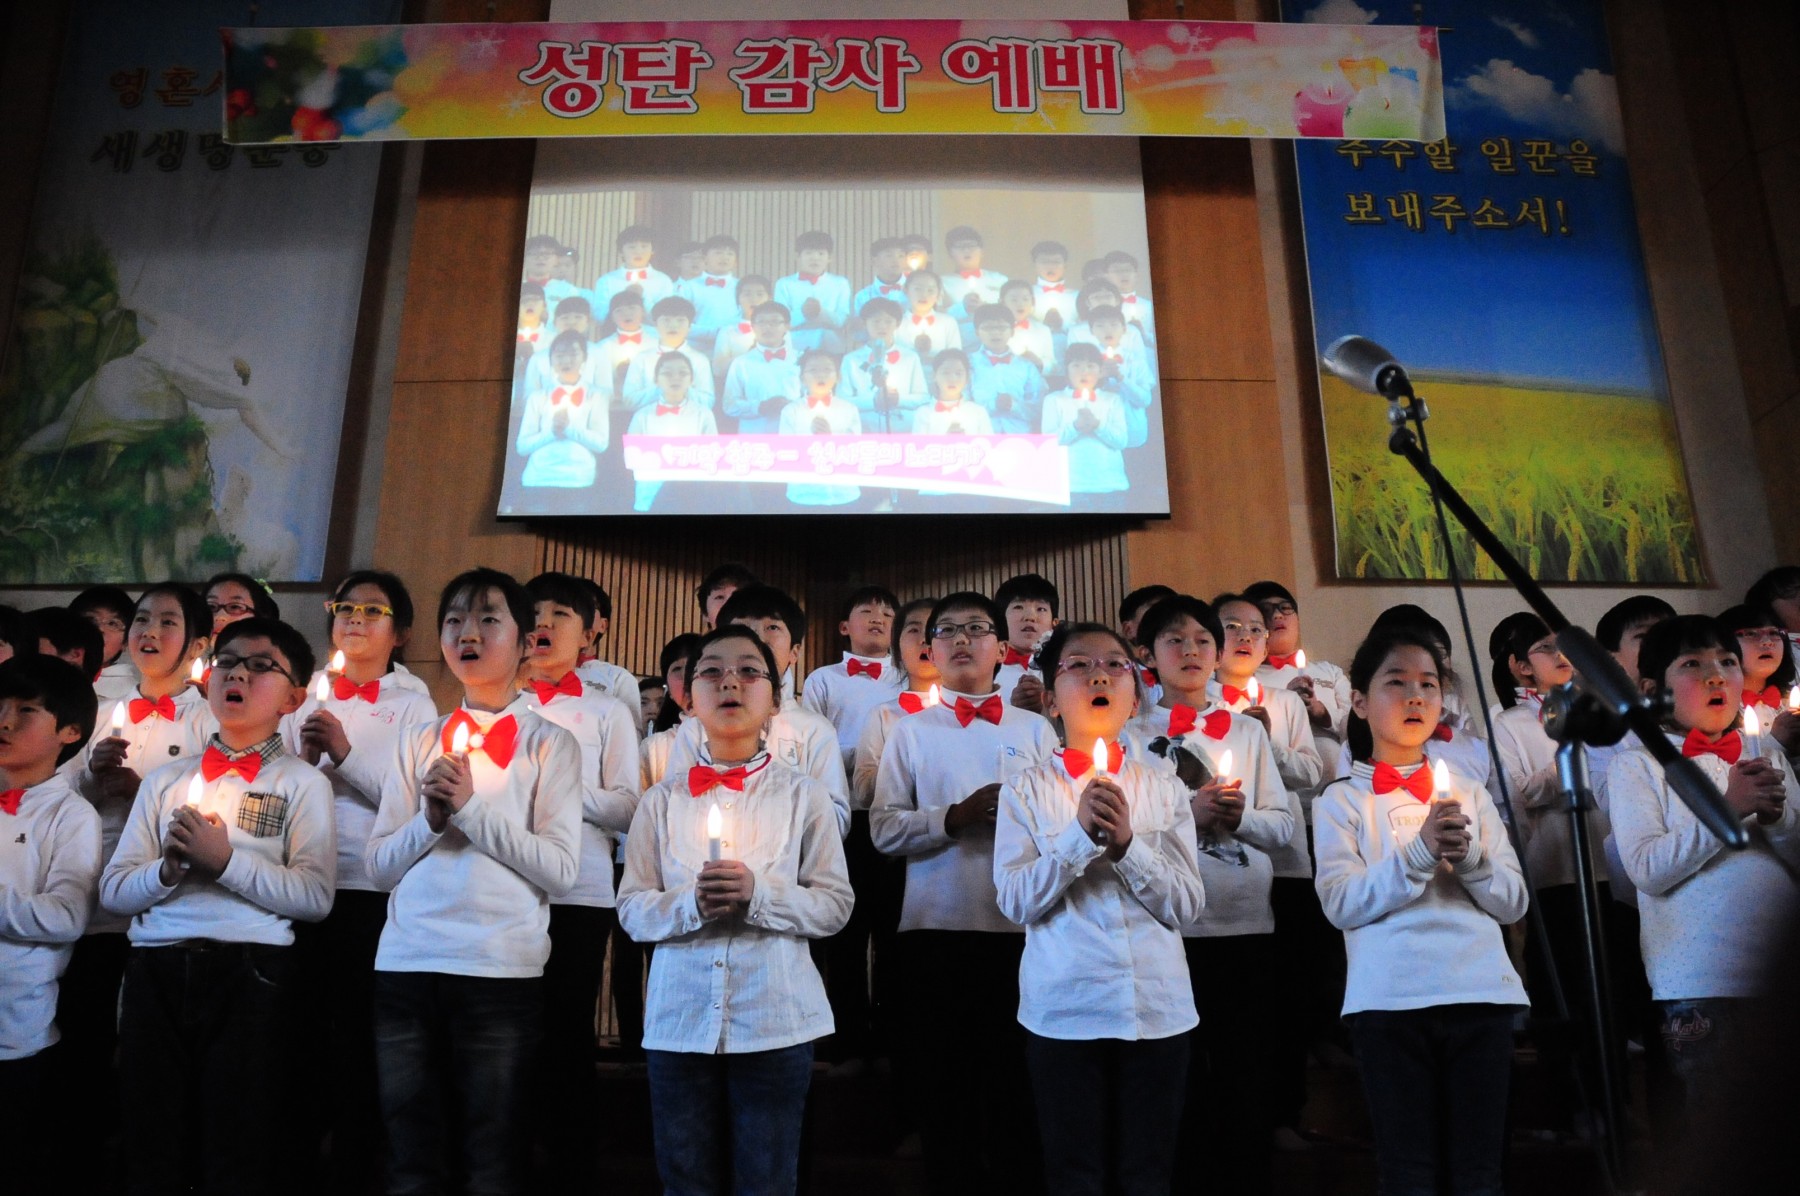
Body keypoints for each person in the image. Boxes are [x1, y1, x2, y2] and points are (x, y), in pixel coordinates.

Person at [365, 568, 582, 1196]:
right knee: (410, 1153)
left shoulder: (551, 744)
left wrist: (472, 811)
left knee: (495, 1152)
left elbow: (561, 872)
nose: (468, 632)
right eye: (455, 619)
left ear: (522, 643)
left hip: (500, 971)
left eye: (489, 619)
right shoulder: (417, 740)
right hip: (406, 965)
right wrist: (432, 820)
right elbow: (379, 867)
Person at [101, 616, 335, 1195]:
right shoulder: (165, 781)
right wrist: (168, 870)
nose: (239, 675)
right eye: (228, 662)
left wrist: (225, 861)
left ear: (294, 697)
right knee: (152, 1135)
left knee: (238, 1137)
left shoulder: (301, 782)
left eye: (262, 667)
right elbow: (113, 890)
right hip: (155, 965)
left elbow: (314, 897)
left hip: (251, 970)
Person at [618, 624, 853, 1195]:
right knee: (685, 1181)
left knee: (767, 1182)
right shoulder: (660, 800)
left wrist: (759, 896)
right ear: (688, 697)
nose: (731, 682)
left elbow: (834, 905)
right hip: (678, 1021)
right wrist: (691, 905)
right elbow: (631, 910)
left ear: (775, 698)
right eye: (712, 671)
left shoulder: (804, 795)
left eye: (750, 670)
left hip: (776, 1019)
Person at [1314, 623, 1528, 1196]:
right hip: (1389, 999)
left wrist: (1474, 858)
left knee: (1479, 1171)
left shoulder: (1472, 795)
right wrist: (1417, 852)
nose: (1415, 696)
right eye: (1397, 682)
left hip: (1480, 993)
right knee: (1409, 1172)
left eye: (1429, 685)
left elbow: (1512, 902)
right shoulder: (1341, 800)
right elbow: (1340, 903)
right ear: (1358, 702)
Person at [996, 621, 1202, 1196]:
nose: (1099, 676)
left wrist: (1129, 847)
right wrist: (1077, 839)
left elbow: (1186, 905)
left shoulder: (1163, 787)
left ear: (1134, 695)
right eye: (1079, 665)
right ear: (1051, 698)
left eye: (1114, 665)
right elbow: (1015, 900)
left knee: (1148, 1174)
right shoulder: (1026, 789)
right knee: (1073, 1174)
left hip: (1157, 1008)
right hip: (1065, 1008)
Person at [871, 591, 1058, 1195]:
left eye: (975, 628)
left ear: (1002, 649)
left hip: (1019, 927)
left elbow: (1061, 820)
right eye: (946, 630)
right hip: (934, 924)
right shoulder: (909, 731)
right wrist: (952, 817)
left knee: (1016, 1086)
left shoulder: (1036, 729)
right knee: (944, 1087)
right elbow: (882, 828)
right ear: (929, 650)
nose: (959, 639)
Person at [1607, 614, 1800, 1180]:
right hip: (1700, 982)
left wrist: (1780, 815)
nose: (1716, 676)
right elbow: (1646, 867)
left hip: (1777, 979)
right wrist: (1726, 809)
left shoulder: (1766, 754)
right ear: (1651, 688)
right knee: (1729, 1140)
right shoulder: (1637, 764)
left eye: (1726, 662)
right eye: (1692, 664)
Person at [1126, 594, 1292, 1191]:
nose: (1191, 650)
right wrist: (1187, 814)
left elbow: (1282, 827)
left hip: (1246, 924)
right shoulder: (1126, 732)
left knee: (1246, 1077)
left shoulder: (1246, 730)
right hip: (1171, 929)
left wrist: (1238, 816)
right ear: (1147, 654)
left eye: (1202, 639)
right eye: (1174, 640)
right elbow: (1127, 837)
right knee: (1180, 1079)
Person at [283, 570, 437, 1188]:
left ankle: (353, 1160)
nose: (354, 618)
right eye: (345, 607)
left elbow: (413, 804)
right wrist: (301, 761)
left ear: (399, 633)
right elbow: (278, 790)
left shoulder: (414, 703)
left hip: (369, 885)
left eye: (373, 611)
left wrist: (345, 754)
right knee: (297, 1031)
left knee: (357, 1034)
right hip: (297, 877)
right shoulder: (304, 694)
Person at [520, 571, 641, 1190]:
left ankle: (571, 1169)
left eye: (561, 613)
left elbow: (626, 806)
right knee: (506, 1032)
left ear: (589, 631)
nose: (543, 622)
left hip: (579, 887)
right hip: (504, 887)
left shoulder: (606, 709)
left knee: (567, 1033)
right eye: (532, 612)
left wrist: (554, 789)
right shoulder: (492, 707)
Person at [1212, 591, 1325, 1145]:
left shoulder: (1285, 702)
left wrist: (1266, 739)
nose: (1247, 637)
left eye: (1256, 628)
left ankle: (1284, 1113)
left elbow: (1311, 772)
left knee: (1287, 993)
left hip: (1285, 861)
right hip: (1218, 873)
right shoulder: (1192, 703)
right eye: (1231, 626)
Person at [0, 655, 102, 1194]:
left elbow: (66, 916)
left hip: (15, 1030)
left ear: (69, 732)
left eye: (26, 710)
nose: (5, 721)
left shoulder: (70, 815)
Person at [665, 585, 851, 836]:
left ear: (795, 651)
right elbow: (672, 808)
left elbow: (836, 820)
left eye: (772, 628)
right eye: (742, 628)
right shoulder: (695, 729)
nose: (757, 638)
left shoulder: (815, 731)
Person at [516, 330, 608, 489]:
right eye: (559, 355)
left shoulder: (596, 396)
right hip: (538, 478)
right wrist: (552, 432)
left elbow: (600, 444)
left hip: (580, 479)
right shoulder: (537, 397)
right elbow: (522, 447)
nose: (566, 360)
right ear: (550, 360)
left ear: (584, 358)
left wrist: (569, 429)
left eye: (573, 354)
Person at [1042, 344, 1130, 502]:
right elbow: (1049, 444)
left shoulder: (1113, 399)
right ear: (1066, 370)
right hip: (1071, 486)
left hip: (1110, 485)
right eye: (1076, 366)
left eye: (1091, 366)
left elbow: (1121, 441)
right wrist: (1075, 427)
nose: (1084, 372)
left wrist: (1098, 425)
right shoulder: (1054, 399)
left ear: (1101, 370)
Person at [778, 350, 863, 508]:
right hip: (804, 494)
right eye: (813, 370)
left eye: (827, 370)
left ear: (838, 377)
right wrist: (811, 440)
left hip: (844, 493)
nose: (820, 375)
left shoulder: (848, 409)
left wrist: (831, 439)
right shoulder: (791, 411)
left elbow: (856, 450)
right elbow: (786, 452)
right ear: (802, 378)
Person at [620, 295, 715, 414]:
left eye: (680, 320)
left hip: (689, 421)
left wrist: (683, 389)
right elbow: (629, 400)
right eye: (666, 320)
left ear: (690, 326)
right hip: (649, 422)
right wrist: (660, 389)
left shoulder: (700, 360)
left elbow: (708, 402)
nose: (673, 326)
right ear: (655, 325)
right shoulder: (642, 358)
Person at [722, 301, 800, 435]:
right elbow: (729, 405)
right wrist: (758, 407)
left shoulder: (801, 359)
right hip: (754, 435)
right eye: (761, 322)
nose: (767, 327)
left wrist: (792, 406)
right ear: (753, 326)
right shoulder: (741, 362)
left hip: (794, 433)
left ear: (787, 326)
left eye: (775, 322)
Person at [971, 303, 1048, 434]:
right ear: (977, 332)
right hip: (980, 435)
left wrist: (1014, 406)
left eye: (1001, 327)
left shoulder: (1026, 366)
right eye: (988, 328)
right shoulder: (968, 364)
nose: (995, 332)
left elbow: (1039, 408)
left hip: (1020, 436)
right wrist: (993, 405)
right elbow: (962, 405)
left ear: (1012, 331)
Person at [774, 230, 851, 354]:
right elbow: (780, 321)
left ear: (829, 258)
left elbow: (842, 320)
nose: (815, 258)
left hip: (832, 349)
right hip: (796, 349)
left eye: (821, 253)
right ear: (797, 257)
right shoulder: (784, 284)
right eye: (808, 253)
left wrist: (821, 312)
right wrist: (803, 313)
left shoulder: (840, 283)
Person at [995, 572, 1058, 714]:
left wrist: (1048, 702)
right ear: (999, 621)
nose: (1030, 617)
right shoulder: (985, 671)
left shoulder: (1065, 669)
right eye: (1018, 607)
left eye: (1041, 609)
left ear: (1054, 624)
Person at [70, 585, 139, 701]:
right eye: (90, 619)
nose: (100, 629)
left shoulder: (130, 693)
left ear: (126, 641)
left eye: (113, 624)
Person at [593, 223, 674, 314]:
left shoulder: (663, 280)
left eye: (644, 246)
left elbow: (665, 316)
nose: (638, 252)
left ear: (652, 251)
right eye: (632, 247)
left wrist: (643, 296)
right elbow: (600, 316)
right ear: (621, 252)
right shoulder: (607, 281)